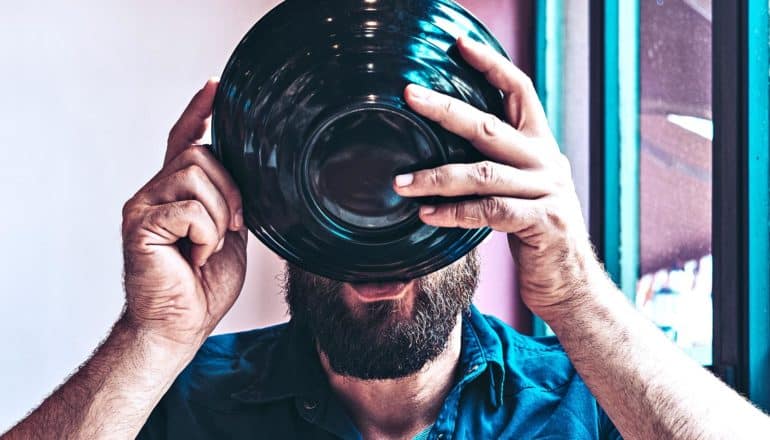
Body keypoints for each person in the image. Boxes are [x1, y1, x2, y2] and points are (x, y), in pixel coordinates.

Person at [3, 36, 769, 440]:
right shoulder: (177, 400)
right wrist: (152, 336)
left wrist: (578, 295)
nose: (379, 272)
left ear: (487, 200)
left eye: (417, 205)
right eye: (343, 202)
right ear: (265, 206)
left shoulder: (595, 404)